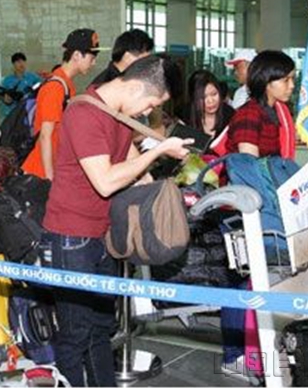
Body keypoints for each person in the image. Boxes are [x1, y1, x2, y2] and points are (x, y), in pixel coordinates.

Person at [41, 55, 191, 386]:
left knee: (100, 328)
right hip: (71, 236)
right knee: (76, 333)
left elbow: (135, 170)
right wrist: (158, 151)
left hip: (102, 234)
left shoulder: (119, 113)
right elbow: (106, 181)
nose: (148, 111)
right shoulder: (84, 113)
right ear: (136, 87)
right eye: (151, 104)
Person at [221, 50, 297, 382]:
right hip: (242, 212)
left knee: (259, 279)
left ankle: (261, 351)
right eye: (286, 79)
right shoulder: (249, 115)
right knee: (241, 280)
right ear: (267, 81)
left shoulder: (278, 113)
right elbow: (247, 174)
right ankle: (234, 356)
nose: (291, 85)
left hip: (266, 209)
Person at [22, 28, 103, 180]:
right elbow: (45, 135)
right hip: (41, 171)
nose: (94, 63)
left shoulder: (66, 84)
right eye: (92, 57)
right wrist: (49, 179)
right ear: (77, 55)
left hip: (53, 165)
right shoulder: (56, 87)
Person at [182, 69, 234, 138]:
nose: (210, 101)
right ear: (194, 99)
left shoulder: (231, 116)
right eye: (203, 97)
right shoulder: (184, 118)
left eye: (214, 94)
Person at [0, 52, 42, 119]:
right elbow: (1, 95)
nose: (21, 64)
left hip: (28, 113)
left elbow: (41, 87)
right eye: (18, 61)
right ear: (13, 64)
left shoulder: (33, 77)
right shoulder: (7, 80)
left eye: (23, 61)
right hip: (11, 113)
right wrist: (6, 98)